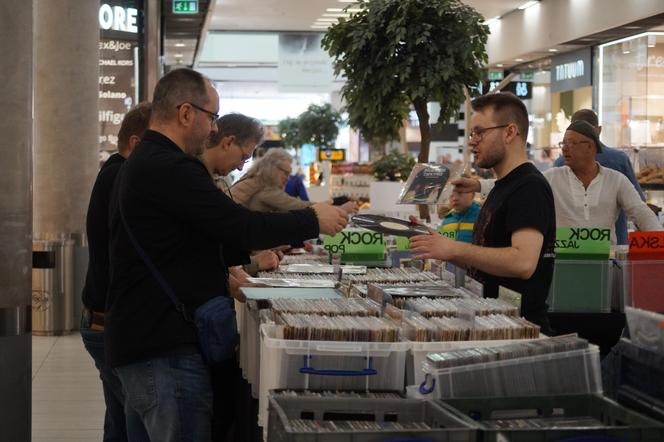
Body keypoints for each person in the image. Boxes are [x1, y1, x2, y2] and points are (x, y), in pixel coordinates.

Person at [106, 68, 348, 442]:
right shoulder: (171, 167)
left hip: (142, 340)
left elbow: (200, 237)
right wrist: (313, 219)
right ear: (187, 114)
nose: (213, 130)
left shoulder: (145, 163)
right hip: (162, 348)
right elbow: (238, 226)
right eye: (211, 118)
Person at [410, 92, 556, 334]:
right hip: (497, 328)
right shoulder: (503, 187)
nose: (472, 141)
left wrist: (453, 249)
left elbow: (523, 262)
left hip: (520, 334)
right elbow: (486, 257)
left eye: (480, 132)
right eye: (471, 133)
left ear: (509, 132)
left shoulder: (529, 187)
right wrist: (439, 245)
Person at [81, 102, 151, 442]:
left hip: (102, 317)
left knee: (121, 420)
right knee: (133, 419)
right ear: (137, 144)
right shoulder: (122, 178)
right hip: (107, 319)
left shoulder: (114, 173)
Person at [547, 120, 660, 240]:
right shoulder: (551, 178)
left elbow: (641, 213)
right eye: (563, 143)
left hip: (606, 257)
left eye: (571, 143)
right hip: (562, 258)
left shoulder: (616, 180)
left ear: (590, 147)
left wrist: (660, 242)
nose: (564, 149)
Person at [232, 148, 358, 214]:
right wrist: (338, 206)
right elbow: (299, 206)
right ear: (273, 168)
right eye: (285, 173)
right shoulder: (265, 188)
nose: (288, 178)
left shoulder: (256, 180)